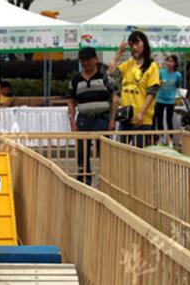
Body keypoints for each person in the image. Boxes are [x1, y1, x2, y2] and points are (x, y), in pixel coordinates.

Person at [68, 47, 115, 185]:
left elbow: (114, 98)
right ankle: (84, 179)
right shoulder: (76, 80)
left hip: (102, 118)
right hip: (83, 119)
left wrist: (112, 120)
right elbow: (71, 101)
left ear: (96, 59)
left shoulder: (105, 77)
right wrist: (72, 122)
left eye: (89, 59)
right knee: (82, 152)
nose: (86, 63)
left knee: (105, 151)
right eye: (83, 60)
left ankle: (107, 179)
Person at [108, 30, 160, 148]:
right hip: (126, 117)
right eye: (131, 45)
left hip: (141, 119)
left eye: (137, 44)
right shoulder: (128, 64)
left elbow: (152, 92)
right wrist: (119, 52)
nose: (134, 48)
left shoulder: (152, 66)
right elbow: (111, 73)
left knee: (139, 153)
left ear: (144, 44)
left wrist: (142, 113)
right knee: (122, 152)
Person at [155, 55, 181, 144]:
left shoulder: (177, 75)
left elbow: (177, 85)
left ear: (175, 63)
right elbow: (157, 83)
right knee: (160, 119)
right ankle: (161, 138)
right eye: (168, 61)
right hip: (160, 99)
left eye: (172, 61)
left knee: (169, 119)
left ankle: (170, 139)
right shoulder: (161, 72)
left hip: (170, 100)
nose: (169, 63)